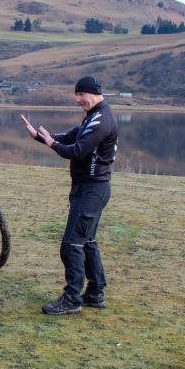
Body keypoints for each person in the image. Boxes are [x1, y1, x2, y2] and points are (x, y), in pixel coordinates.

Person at [20, 75, 118, 315]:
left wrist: (52, 144)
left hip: (92, 190)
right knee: (87, 242)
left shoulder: (102, 119)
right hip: (90, 188)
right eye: (76, 95)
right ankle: (95, 293)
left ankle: (72, 298)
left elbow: (76, 150)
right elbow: (69, 137)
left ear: (93, 93)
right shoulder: (94, 116)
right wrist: (42, 137)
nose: (77, 100)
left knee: (72, 243)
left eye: (80, 95)